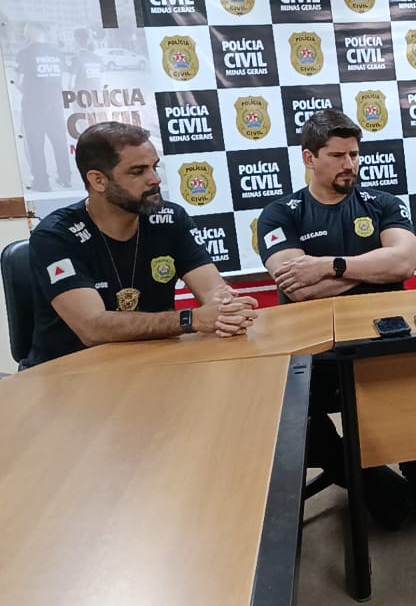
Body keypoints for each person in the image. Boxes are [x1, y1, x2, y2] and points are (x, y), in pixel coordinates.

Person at [258, 109, 416, 531]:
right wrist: (373, 268)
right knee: (297, 413)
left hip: (384, 343)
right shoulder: (280, 213)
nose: (350, 164)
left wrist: (331, 266)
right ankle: (359, 473)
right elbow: (299, 288)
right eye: (338, 155)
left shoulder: (382, 203)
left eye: (355, 155)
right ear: (309, 158)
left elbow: (405, 263)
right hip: (318, 353)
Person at [24, 121, 258, 370]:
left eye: (154, 167)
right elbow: (92, 327)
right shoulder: (56, 235)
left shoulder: (171, 218)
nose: (155, 179)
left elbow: (213, 290)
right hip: (71, 373)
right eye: (138, 171)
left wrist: (225, 307)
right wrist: (190, 319)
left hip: (156, 364)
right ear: (98, 180)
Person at [16, 22, 74, 191]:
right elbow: (63, 79)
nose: (24, 32)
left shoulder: (25, 53)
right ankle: (65, 178)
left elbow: (19, 82)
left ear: (32, 30)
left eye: (26, 29)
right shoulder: (57, 53)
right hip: (55, 104)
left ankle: (42, 182)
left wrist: (31, 93)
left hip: (33, 106)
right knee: (59, 142)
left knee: (35, 144)